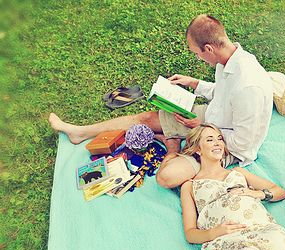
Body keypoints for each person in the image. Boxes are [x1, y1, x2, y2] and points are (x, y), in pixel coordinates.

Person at [48, 14, 273, 189]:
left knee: (166, 177)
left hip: (226, 144)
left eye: (197, 53)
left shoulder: (248, 87)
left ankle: (171, 143)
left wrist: (201, 128)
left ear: (209, 48)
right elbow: (223, 95)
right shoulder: (228, 60)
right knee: (146, 118)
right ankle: (79, 132)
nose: (197, 58)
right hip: (214, 118)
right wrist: (194, 83)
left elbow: (243, 142)